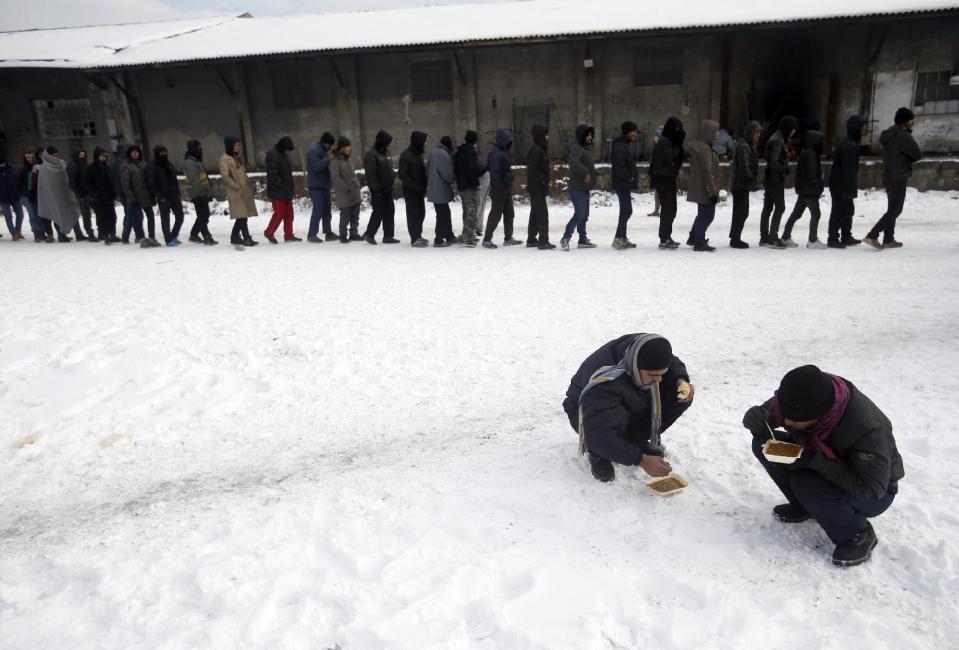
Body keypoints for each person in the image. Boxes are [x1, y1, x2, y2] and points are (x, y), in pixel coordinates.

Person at [743, 365, 904, 567]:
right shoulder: (806, 393)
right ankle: (808, 507)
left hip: (875, 492)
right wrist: (759, 417)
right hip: (820, 456)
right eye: (785, 413)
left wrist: (814, 460)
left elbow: (871, 490)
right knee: (765, 446)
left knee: (806, 482)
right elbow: (774, 411)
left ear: (819, 415)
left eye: (793, 419)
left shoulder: (867, 429)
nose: (785, 421)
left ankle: (857, 533)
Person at [563, 333, 695, 483]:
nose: (658, 379)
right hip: (586, 414)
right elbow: (598, 435)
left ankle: (633, 440)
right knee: (612, 421)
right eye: (653, 374)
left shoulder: (643, 349)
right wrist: (641, 460)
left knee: (678, 396)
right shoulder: (606, 382)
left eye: (661, 374)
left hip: (624, 395)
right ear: (636, 366)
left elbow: (671, 362)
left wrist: (680, 379)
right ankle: (599, 453)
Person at [864, 108, 923, 250]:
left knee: (892, 208)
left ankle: (888, 239)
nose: (912, 122)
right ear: (905, 121)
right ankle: (872, 235)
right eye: (910, 120)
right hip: (899, 176)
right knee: (895, 210)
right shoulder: (903, 135)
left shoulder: (890, 134)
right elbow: (917, 154)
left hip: (889, 175)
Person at [827, 115, 867, 249]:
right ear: (856, 128)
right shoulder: (849, 145)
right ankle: (833, 238)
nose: (865, 129)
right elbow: (848, 170)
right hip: (841, 185)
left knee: (848, 210)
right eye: (862, 126)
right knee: (839, 211)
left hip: (842, 184)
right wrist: (849, 189)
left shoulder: (850, 142)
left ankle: (846, 235)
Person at [781, 131, 826, 249]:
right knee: (816, 214)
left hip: (803, 189)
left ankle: (785, 236)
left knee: (796, 214)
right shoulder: (811, 155)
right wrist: (819, 186)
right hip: (809, 190)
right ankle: (812, 239)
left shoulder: (805, 153)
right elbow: (812, 175)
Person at [760, 115, 798, 249]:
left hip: (771, 178)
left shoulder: (778, 138)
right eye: (793, 129)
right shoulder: (778, 140)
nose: (794, 132)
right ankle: (773, 238)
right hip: (775, 179)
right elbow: (773, 162)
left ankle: (764, 237)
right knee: (780, 207)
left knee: (768, 208)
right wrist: (785, 169)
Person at [685, 120, 721, 252]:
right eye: (716, 131)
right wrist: (712, 191)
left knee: (703, 214)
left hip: (701, 186)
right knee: (707, 215)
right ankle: (698, 241)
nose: (718, 134)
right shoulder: (704, 149)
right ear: (709, 132)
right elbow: (707, 171)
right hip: (705, 188)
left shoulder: (704, 146)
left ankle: (695, 237)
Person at [482, 129, 521, 248]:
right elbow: (494, 173)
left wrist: (507, 183)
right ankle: (487, 239)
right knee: (496, 214)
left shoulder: (503, 152)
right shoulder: (495, 154)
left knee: (509, 213)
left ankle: (508, 237)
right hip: (499, 189)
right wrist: (501, 185)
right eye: (508, 141)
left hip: (505, 188)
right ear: (503, 141)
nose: (510, 143)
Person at [650, 117, 685, 249]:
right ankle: (664, 238)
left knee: (671, 209)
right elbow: (670, 158)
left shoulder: (668, 141)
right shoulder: (664, 142)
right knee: (668, 209)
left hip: (668, 178)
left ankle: (666, 236)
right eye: (677, 129)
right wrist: (678, 147)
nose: (679, 132)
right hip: (663, 179)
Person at [561, 124, 597, 250]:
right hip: (577, 188)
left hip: (585, 187)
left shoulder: (586, 149)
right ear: (581, 136)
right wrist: (586, 172)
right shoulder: (577, 148)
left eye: (591, 135)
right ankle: (566, 238)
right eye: (587, 135)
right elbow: (573, 161)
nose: (590, 137)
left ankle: (582, 239)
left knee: (585, 215)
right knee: (580, 214)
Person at [37, 147, 83, 242]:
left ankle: (79, 234)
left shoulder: (62, 163)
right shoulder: (44, 168)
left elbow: (67, 177)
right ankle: (61, 236)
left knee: (73, 212)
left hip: (66, 194)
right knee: (57, 215)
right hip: (52, 196)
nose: (56, 157)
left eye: (57, 155)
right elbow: (43, 185)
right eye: (54, 156)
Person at [221, 136, 259, 247]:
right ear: (230, 146)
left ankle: (234, 237)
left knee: (242, 215)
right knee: (242, 215)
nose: (238, 147)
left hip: (244, 190)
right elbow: (225, 176)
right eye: (236, 145)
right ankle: (246, 238)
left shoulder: (236, 157)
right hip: (236, 192)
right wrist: (236, 186)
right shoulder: (224, 159)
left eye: (238, 145)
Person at [362, 130, 399, 245]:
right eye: (387, 142)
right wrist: (376, 189)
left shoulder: (387, 152)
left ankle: (388, 236)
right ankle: (369, 234)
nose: (388, 145)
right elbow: (371, 174)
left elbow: (389, 168)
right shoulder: (371, 154)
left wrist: (393, 176)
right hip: (378, 190)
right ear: (381, 142)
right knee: (378, 212)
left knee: (389, 211)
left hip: (387, 188)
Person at [120, 145, 160, 247]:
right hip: (134, 196)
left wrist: (152, 194)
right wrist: (131, 196)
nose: (135, 154)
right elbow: (125, 184)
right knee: (134, 218)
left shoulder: (144, 165)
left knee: (150, 216)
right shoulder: (126, 166)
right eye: (133, 152)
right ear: (129, 154)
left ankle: (152, 236)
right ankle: (136, 237)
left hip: (146, 196)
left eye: (137, 152)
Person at [729, 120, 761, 248]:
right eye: (756, 132)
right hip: (740, 185)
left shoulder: (747, 144)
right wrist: (751, 181)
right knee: (741, 211)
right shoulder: (744, 146)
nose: (758, 135)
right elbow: (745, 167)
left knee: (742, 211)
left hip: (741, 185)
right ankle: (735, 238)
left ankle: (735, 236)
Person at [146, 145, 184, 246]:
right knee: (165, 219)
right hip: (163, 197)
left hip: (174, 195)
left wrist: (178, 192)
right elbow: (152, 184)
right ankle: (168, 239)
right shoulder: (153, 167)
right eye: (161, 153)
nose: (164, 154)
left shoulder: (169, 164)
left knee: (180, 216)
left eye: (165, 152)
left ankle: (174, 235)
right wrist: (160, 196)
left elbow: (174, 179)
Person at [264, 136, 299, 243]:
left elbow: (288, 172)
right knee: (279, 213)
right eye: (287, 148)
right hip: (277, 191)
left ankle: (289, 235)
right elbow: (272, 175)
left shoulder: (285, 154)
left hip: (287, 190)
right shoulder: (272, 154)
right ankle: (269, 232)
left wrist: (290, 185)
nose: (287, 150)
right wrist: (282, 184)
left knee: (289, 214)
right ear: (282, 146)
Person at [610, 121, 640, 249]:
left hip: (624, 183)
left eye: (635, 131)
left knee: (626, 210)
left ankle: (622, 237)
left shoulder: (625, 144)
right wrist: (630, 176)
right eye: (632, 131)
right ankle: (618, 238)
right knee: (627, 210)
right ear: (627, 132)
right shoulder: (619, 146)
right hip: (621, 183)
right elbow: (618, 166)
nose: (635, 134)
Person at [182, 139, 217, 245]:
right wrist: (202, 193)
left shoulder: (195, 161)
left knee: (204, 215)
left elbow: (202, 177)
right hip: (198, 194)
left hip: (201, 192)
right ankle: (206, 236)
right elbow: (195, 180)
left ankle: (194, 234)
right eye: (198, 147)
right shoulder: (190, 163)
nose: (200, 150)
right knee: (203, 216)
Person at [525, 123, 554, 250]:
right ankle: (543, 241)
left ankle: (531, 239)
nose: (548, 137)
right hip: (536, 187)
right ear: (540, 136)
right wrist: (542, 180)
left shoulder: (540, 148)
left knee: (535, 213)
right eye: (546, 134)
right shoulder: (536, 150)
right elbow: (532, 169)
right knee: (542, 214)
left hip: (538, 187)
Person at [454, 130, 485, 247]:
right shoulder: (471, 152)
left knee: (467, 210)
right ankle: (467, 238)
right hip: (469, 186)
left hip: (462, 185)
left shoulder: (460, 151)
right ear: (475, 140)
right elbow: (471, 170)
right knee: (472, 210)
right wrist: (476, 184)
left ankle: (468, 234)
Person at [398, 130, 429, 248]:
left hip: (419, 190)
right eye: (424, 142)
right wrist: (415, 185)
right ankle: (414, 238)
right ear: (418, 142)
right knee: (413, 214)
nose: (425, 144)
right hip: (411, 190)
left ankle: (418, 235)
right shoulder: (405, 155)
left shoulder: (418, 154)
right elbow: (403, 175)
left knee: (421, 213)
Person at [306, 132, 337, 243]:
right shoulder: (313, 150)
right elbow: (316, 167)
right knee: (318, 210)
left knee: (327, 211)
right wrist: (328, 158)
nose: (330, 148)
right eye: (329, 145)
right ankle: (311, 234)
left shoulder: (323, 150)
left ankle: (328, 233)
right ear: (325, 143)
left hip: (324, 185)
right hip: (316, 186)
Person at [85, 147, 120, 245]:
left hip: (109, 197)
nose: (104, 158)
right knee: (102, 217)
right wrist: (94, 193)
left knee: (112, 216)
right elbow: (87, 183)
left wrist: (114, 192)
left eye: (105, 156)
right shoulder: (91, 168)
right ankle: (104, 235)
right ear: (97, 157)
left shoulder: (108, 168)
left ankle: (112, 234)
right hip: (98, 198)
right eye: (101, 156)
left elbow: (112, 181)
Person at [331, 137, 362, 243]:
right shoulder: (335, 161)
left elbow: (353, 175)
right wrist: (346, 188)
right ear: (342, 148)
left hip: (354, 192)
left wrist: (357, 185)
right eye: (347, 146)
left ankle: (354, 233)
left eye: (350, 146)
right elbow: (336, 178)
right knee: (345, 216)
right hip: (344, 194)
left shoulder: (347, 159)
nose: (350, 148)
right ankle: (343, 235)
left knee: (355, 215)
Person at [68, 149, 96, 241]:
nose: (82, 157)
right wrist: (79, 194)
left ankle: (96, 232)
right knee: (86, 214)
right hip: (81, 194)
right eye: (80, 155)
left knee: (93, 212)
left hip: (89, 193)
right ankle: (90, 232)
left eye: (83, 155)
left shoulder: (84, 165)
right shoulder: (73, 166)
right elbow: (72, 182)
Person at [0, 152, 25, 240]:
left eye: (3, 163)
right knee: (8, 216)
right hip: (3, 198)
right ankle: (14, 234)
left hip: (15, 196)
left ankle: (18, 231)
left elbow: (19, 180)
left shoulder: (13, 169)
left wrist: (19, 191)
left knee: (20, 215)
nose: (2, 165)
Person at [17, 151, 42, 241]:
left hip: (35, 194)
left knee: (38, 214)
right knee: (32, 215)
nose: (30, 159)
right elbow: (18, 183)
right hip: (24, 195)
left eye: (31, 157)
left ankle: (40, 232)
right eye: (27, 157)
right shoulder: (21, 169)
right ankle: (37, 233)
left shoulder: (36, 167)